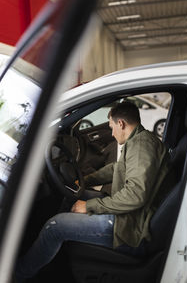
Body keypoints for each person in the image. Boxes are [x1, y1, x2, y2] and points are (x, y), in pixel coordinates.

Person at [15, 101, 171, 281]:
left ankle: (17, 275)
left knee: (54, 226)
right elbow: (115, 169)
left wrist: (90, 206)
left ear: (121, 124)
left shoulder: (142, 145)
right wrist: (84, 180)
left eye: (112, 127)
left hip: (130, 227)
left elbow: (135, 195)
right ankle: (53, 252)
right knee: (74, 196)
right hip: (132, 217)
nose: (112, 133)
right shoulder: (139, 140)